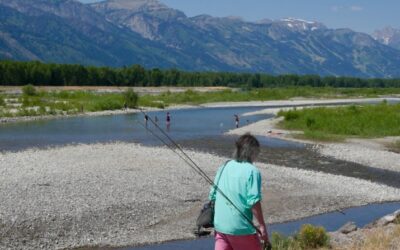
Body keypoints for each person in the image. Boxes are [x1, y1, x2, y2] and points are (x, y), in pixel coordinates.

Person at [209, 133, 269, 250]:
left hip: (220, 227)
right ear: (252, 152)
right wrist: (262, 226)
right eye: (257, 152)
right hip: (241, 229)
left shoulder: (224, 166)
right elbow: (253, 202)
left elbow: (212, 195)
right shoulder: (252, 171)